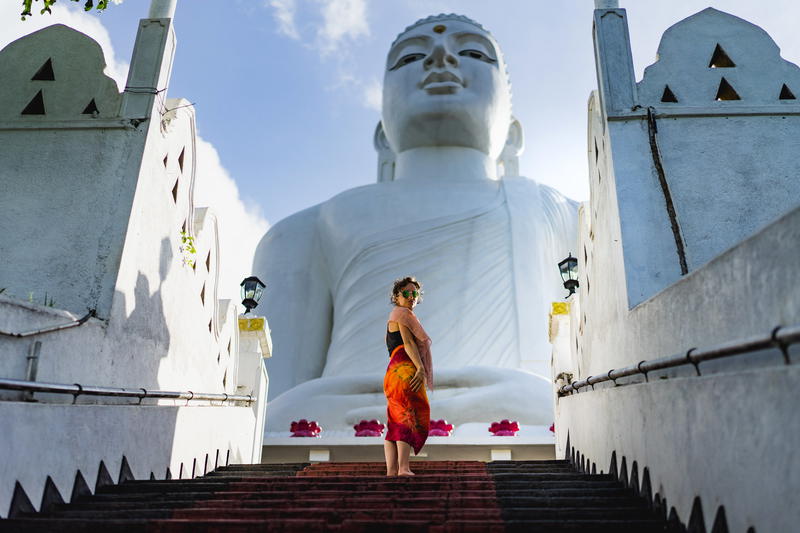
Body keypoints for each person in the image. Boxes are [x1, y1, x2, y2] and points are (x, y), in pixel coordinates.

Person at [383, 276, 432, 476]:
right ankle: (403, 467)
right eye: (406, 293)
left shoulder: (394, 315)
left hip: (393, 372)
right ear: (397, 296)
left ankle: (392, 470)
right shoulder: (402, 314)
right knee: (407, 415)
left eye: (415, 293)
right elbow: (408, 344)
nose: (411, 297)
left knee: (395, 419)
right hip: (404, 369)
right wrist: (420, 368)